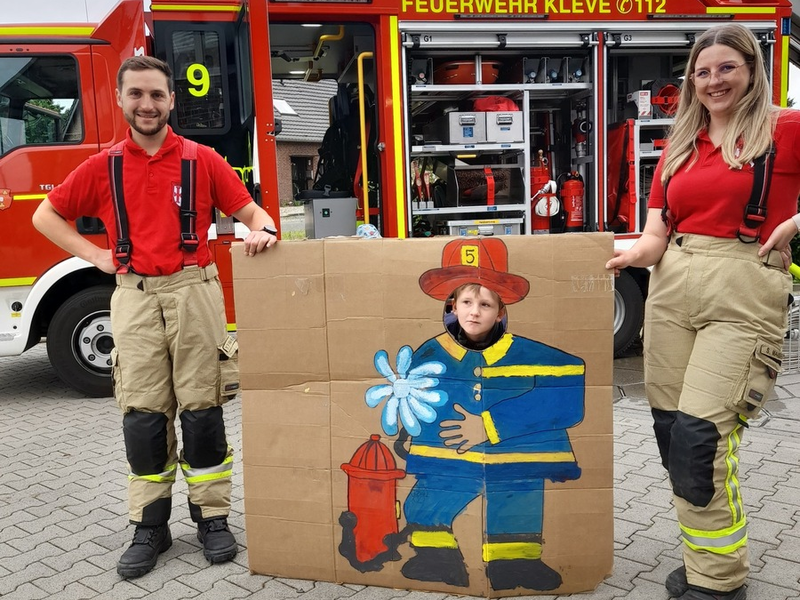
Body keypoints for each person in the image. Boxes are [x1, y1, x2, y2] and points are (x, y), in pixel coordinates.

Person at [32, 56, 278, 579]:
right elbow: (44, 214)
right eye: (137, 95)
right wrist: (95, 257)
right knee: (143, 418)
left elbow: (253, 212)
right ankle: (151, 525)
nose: (147, 105)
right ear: (121, 100)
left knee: (203, 412)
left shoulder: (202, 159)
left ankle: (212, 519)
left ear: (172, 101)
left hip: (196, 294)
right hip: (135, 297)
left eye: (157, 95)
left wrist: (263, 230)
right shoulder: (103, 166)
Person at [606, 24, 800, 600]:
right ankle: (702, 564)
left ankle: (720, 583)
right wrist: (599, 254)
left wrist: (794, 224)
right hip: (671, 288)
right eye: (703, 70)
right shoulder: (681, 142)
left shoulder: (784, 128)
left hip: (743, 288)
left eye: (727, 68)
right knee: (673, 439)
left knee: (701, 441)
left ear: (752, 70)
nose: (714, 80)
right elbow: (652, 240)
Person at [389, 238, 585, 592]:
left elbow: (567, 394)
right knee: (425, 503)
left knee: (516, 503)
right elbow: (416, 397)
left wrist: (491, 425)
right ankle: (437, 558)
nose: (474, 311)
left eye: (485, 303)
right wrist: (406, 427)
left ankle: (515, 563)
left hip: (516, 460)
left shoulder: (535, 355)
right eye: (466, 301)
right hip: (447, 458)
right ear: (453, 305)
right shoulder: (430, 351)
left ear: (501, 311)